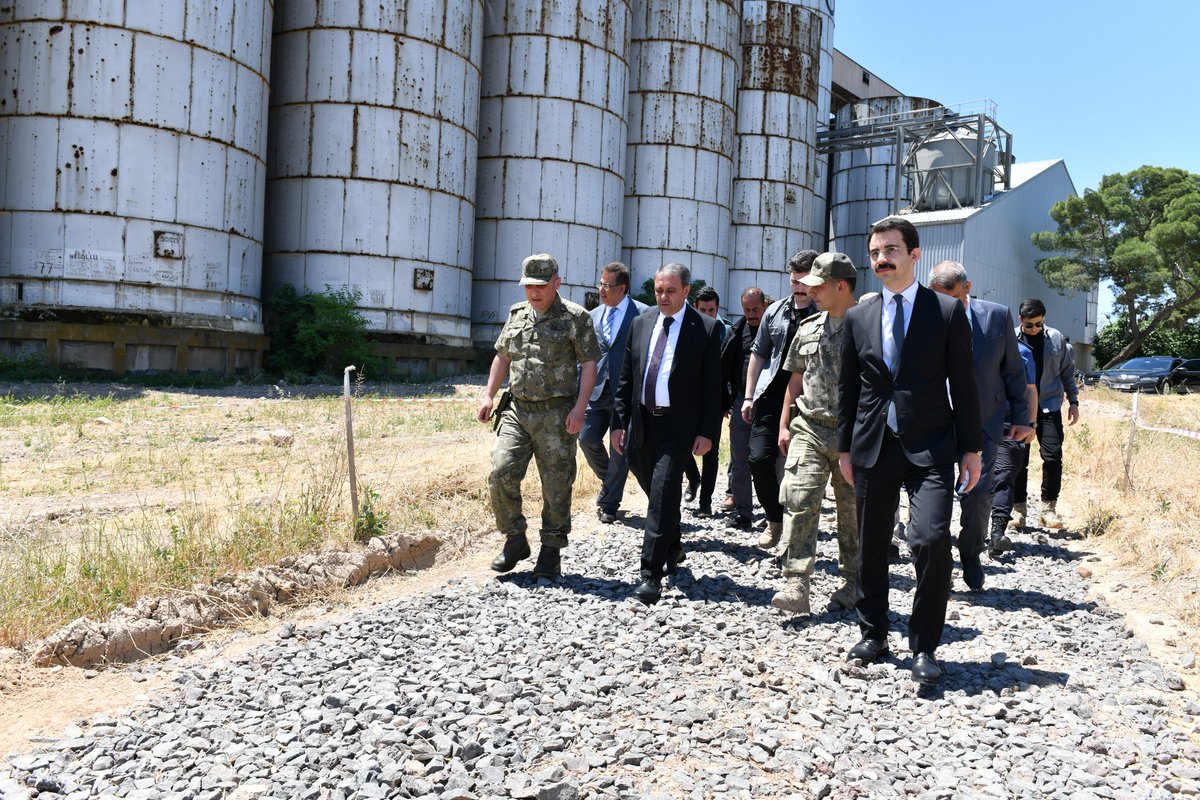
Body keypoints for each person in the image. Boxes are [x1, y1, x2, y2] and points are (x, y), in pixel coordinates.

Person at [837, 217, 982, 686]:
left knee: (930, 539)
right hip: (873, 445)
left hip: (931, 446)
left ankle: (924, 646)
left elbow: (964, 383)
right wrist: (844, 447)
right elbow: (847, 389)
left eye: (892, 250)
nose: (882, 259)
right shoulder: (858, 316)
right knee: (872, 544)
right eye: (876, 251)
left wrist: (972, 448)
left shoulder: (944, 311)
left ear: (913, 255)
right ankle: (874, 632)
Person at [478, 254, 601, 578]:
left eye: (540, 286)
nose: (533, 292)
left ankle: (551, 550)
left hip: (556, 414)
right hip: (518, 409)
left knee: (557, 484)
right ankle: (515, 538)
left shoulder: (576, 317)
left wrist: (579, 408)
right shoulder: (516, 314)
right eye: (528, 286)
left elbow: (589, 364)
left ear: (556, 283)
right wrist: (489, 394)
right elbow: (502, 356)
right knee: (501, 470)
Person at [612, 263, 723, 605]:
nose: (663, 296)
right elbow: (626, 377)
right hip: (643, 424)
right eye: (659, 290)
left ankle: (650, 574)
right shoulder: (641, 323)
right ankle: (673, 547)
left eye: (670, 290)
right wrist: (619, 422)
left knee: (661, 495)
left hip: (679, 427)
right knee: (654, 489)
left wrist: (707, 433)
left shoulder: (705, 328)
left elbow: (713, 387)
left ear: (687, 290)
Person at [927, 261, 1034, 591]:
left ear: (967, 288)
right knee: (936, 495)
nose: (946, 306)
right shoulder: (923, 317)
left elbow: (1014, 370)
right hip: (936, 422)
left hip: (985, 421)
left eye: (953, 298)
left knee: (979, 494)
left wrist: (1021, 418)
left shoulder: (996, 316)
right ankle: (937, 562)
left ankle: (970, 554)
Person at [773, 252, 860, 614]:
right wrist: (783, 422)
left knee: (852, 511)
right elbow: (795, 381)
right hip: (809, 426)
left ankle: (855, 582)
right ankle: (797, 583)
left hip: (852, 435)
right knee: (799, 499)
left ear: (840, 286)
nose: (810, 292)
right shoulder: (807, 328)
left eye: (817, 286)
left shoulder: (869, 327)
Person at [741, 251, 818, 549]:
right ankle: (775, 520)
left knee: (797, 470)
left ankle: (797, 535)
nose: (798, 288)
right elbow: (758, 354)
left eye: (804, 282)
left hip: (809, 400)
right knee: (758, 459)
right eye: (794, 281)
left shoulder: (824, 311)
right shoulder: (774, 313)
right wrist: (749, 396)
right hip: (771, 396)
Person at [578, 262, 649, 524]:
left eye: (606, 285)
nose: (601, 289)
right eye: (600, 283)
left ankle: (609, 502)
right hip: (596, 390)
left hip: (626, 392)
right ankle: (610, 479)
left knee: (620, 447)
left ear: (622, 288)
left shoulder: (642, 314)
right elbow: (583, 357)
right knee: (586, 439)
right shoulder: (593, 316)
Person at [1009, 298, 1080, 529]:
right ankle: (1018, 509)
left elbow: (1067, 372)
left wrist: (1073, 401)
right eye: (1029, 325)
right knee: (1019, 459)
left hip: (1048, 406)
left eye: (1039, 324)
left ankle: (1049, 508)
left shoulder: (1056, 338)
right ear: (1021, 320)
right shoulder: (1009, 338)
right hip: (1020, 409)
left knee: (1052, 456)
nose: (1034, 329)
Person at [720, 288, 767, 530]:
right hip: (741, 402)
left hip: (770, 403)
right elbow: (725, 366)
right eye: (746, 310)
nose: (750, 315)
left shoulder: (775, 332)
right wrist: (727, 401)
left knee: (768, 461)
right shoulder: (737, 333)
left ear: (765, 306)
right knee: (739, 459)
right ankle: (744, 512)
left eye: (755, 310)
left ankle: (774, 515)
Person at [683, 286, 731, 516]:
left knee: (710, 453)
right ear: (695, 307)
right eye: (703, 309)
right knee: (682, 446)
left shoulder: (727, 331)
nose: (707, 314)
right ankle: (693, 478)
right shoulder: (686, 328)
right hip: (689, 397)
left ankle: (705, 503)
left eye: (711, 310)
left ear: (717, 308)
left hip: (716, 399)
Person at [989, 339, 1038, 551]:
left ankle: (997, 532)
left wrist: (1032, 423)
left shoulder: (1023, 352)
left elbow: (1030, 390)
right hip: (973, 418)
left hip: (1010, 421)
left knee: (1005, 473)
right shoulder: (966, 341)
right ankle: (972, 532)